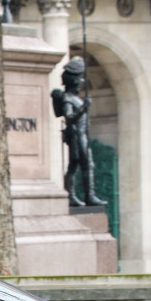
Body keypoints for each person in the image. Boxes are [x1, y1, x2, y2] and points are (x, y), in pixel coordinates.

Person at [51, 57, 106, 208]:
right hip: (76, 135)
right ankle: (85, 196)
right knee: (83, 165)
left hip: (82, 135)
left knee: (79, 166)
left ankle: (81, 196)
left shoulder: (74, 98)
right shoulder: (68, 99)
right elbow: (68, 117)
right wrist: (84, 108)